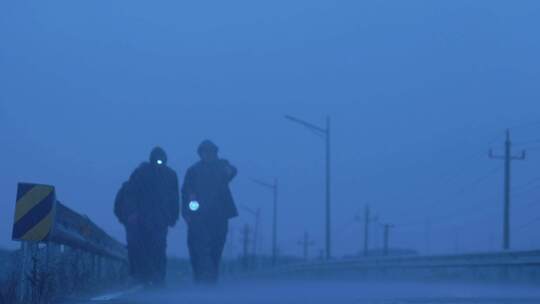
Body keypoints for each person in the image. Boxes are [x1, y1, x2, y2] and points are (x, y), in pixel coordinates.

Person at [114, 147, 179, 286]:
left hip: (160, 218)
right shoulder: (141, 173)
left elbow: (174, 197)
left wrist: (173, 216)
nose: (158, 162)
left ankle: (158, 278)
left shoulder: (170, 175)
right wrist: (132, 213)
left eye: (161, 159)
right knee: (140, 247)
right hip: (142, 218)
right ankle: (139, 276)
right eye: (156, 159)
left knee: (159, 247)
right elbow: (130, 194)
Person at [181, 140, 238, 284]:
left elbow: (232, 171)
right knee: (198, 248)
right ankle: (201, 278)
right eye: (205, 152)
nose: (208, 155)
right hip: (199, 216)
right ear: (200, 154)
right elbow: (186, 191)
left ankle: (212, 278)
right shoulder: (193, 170)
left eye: (211, 152)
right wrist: (187, 212)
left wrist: (230, 169)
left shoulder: (222, 166)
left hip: (219, 215)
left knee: (216, 247)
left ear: (215, 153)